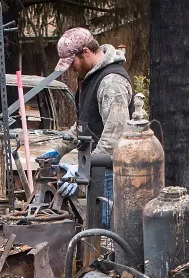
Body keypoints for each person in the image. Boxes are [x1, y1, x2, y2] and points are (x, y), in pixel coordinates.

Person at [56, 27, 133, 230]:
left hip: (112, 174)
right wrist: (58, 150)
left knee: (106, 231)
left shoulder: (111, 83)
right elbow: (85, 124)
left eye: (72, 61)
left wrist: (82, 169)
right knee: (96, 229)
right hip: (98, 171)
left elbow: (115, 137)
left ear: (86, 52)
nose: (71, 68)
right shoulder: (91, 78)